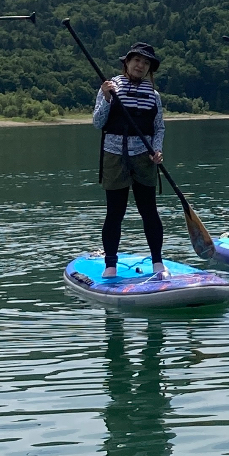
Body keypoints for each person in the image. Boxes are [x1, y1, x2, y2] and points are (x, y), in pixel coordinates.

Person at [93, 42, 166, 279]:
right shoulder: (110, 88)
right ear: (127, 62)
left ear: (149, 69)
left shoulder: (153, 96)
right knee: (115, 212)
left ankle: (157, 262)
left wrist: (157, 150)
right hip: (115, 156)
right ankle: (110, 264)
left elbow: (159, 128)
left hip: (144, 158)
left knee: (149, 211)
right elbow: (97, 122)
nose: (140, 65)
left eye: (145, 63)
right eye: (137, 60)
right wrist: (105, 98)